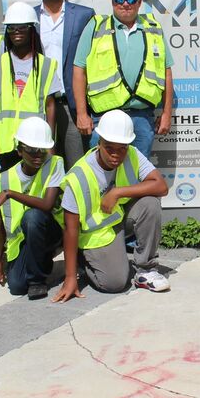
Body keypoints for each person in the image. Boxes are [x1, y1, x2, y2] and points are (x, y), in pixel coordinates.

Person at [52, 109, 170, 301]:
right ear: (99, 143)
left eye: (122, 148)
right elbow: (70, 229)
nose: (116, 154)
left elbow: (161, 186)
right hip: (95, 235)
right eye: (109, 148)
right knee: (114, 283)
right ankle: (84, 260)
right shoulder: (79, 176)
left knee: (150, 203)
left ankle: (145, 270)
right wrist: (70, 277)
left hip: (119, 219)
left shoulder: (132, 154)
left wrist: (117, 192)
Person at [71, 0, 174, 158]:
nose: (125, 4)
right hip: (104, 118)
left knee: (137, 172)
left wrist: (167, 113)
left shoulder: (153, 28)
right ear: (112, 0)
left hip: (142, 117)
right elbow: (79, 71)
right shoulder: (95, 26)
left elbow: (166, 72)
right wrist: (81, 114)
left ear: (139, 2)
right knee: (102, 172)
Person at [0, 117, 65, 299]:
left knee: (33, 217)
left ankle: (37, 282)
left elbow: (47, 204)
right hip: (22, 240)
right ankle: (42, 260)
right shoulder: (3, 179)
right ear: (19, 150)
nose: (38, 155)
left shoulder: (55, 164)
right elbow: (0, 224)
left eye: (42, 150)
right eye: (31, 150)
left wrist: (10, 194)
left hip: (52, 231)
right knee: (17, 286)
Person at [35, 0, 95, 168]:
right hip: (40, 104)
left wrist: (83, 111)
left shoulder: (84, 15)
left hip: (71, 105)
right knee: (43, 164)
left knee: (77, 165)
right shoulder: (30, 17)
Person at [0, 1, 62, 153]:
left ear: (32, 30)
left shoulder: (46, 65)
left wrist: (50, 146)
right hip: (4, 145)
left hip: (35, 143)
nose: (17, 32)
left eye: (22, 28)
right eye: (11, 28)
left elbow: (50, 107)